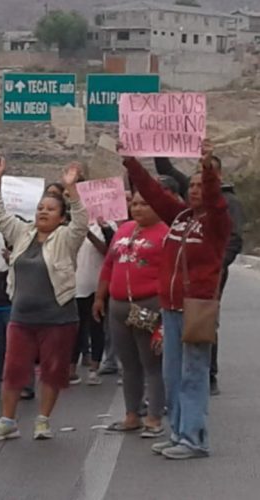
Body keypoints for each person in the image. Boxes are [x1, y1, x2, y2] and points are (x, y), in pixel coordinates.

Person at [122, 141, 230, 460]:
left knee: (193, 374)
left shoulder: (216, 223)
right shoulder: (180, 216)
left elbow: (215, 200)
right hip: (170, 309)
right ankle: (179, 432)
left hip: (196, 308)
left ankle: (195, 439)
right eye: (192, 185)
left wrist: (207, 168)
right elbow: (154, 192)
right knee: (172, 374)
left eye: (201, 185)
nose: (195, 190)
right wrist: (131, 162)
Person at [0, 158, 88, 442]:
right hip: (22, 317)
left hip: (58, 318)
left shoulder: (67, 238)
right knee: (13, 370)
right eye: (41, 208)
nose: (43, 211)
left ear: (61, 217)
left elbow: (82, 220)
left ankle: (43, 420)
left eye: (51, 209)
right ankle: (8, 421)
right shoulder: (22, 233)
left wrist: (71, 188)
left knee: (53, 372)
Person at [155, 156, 244, 395]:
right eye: (192, 184)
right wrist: (155, 146)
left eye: (205, 178)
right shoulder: (187, 210)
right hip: (179, 287)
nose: (195, 188)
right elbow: (166, 171)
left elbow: (233, 238)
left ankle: (208, 374)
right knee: (174, 356)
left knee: (201, 323)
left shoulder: (228, 203)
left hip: (209, 275)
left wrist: (216, 264)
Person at [93, 192, 168, 438]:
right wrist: (99, 297)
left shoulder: (165, 233)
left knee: (152, 363)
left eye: (144, 203)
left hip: (149, 306)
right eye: (134, 203)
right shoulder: (124, 229)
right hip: (118, 307)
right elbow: (109, 265)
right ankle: (132, 415)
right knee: (129, 364)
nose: (137, 208)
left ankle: (154, 417)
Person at [71, 219, 111, 386]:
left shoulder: (106, 225)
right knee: (75, 328)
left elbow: (108, 251)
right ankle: (70, 369)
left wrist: (90, 234)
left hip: (97, 285)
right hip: (76, 284)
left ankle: (94, 368)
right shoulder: (73, 225)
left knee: (96, 327)